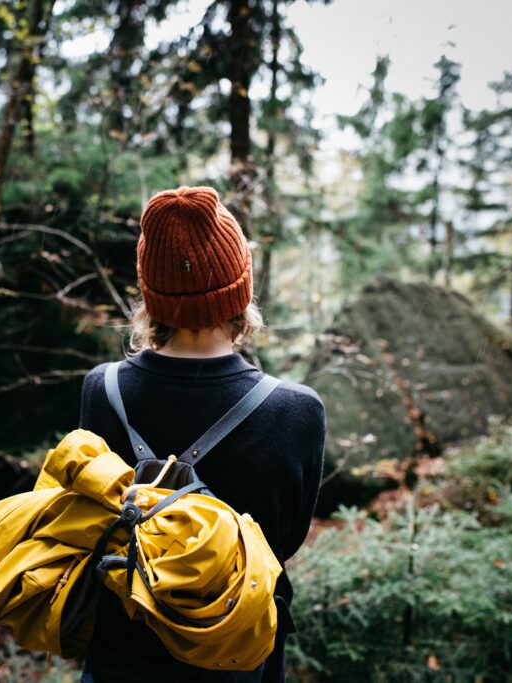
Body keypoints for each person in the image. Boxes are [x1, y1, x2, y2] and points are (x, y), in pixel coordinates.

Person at [76, 185, 328, 682]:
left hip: (121, 656)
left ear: (151, 296)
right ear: (241, 290)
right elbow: (285, 541)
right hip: (236, 657)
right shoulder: (297, 411)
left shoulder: (100, 390)